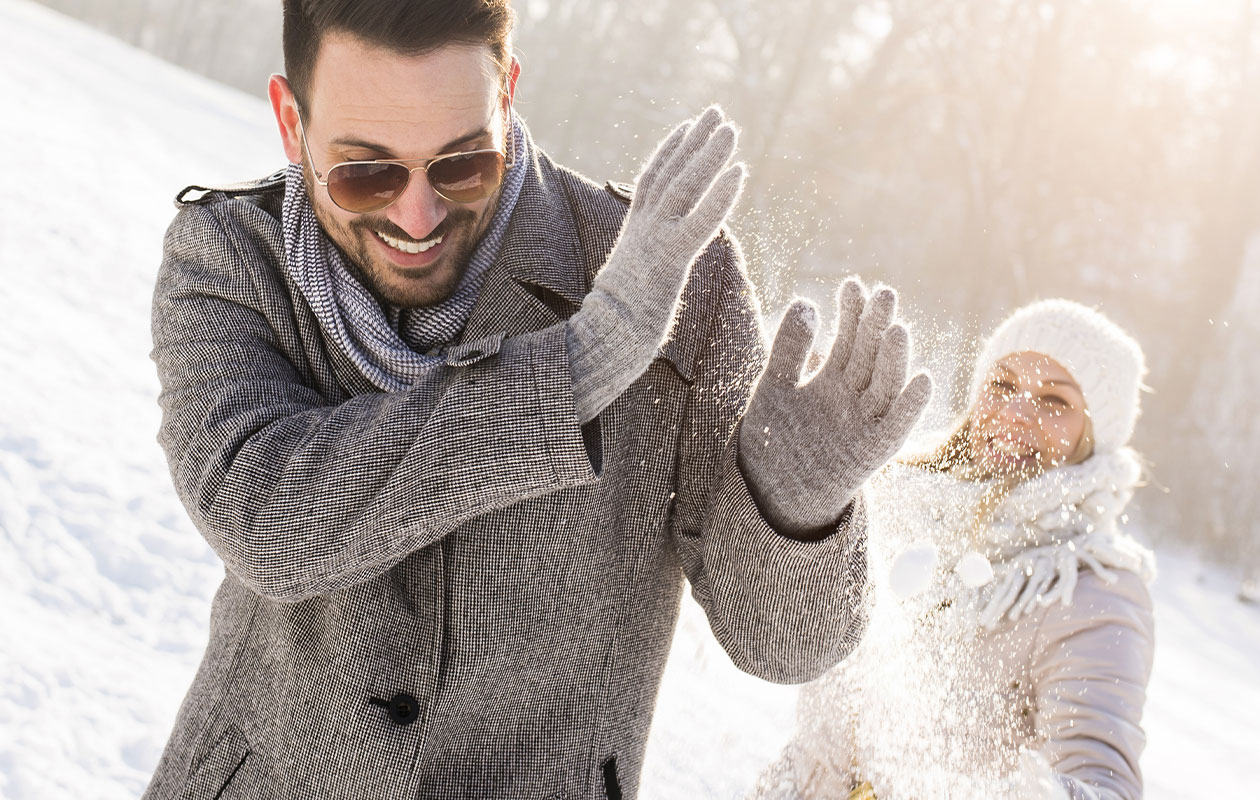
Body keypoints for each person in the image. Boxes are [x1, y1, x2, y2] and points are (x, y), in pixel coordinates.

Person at [142, 1, 934, 797]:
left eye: (462, 164)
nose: (417, 216)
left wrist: (795, 508)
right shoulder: (232, 257)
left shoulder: (670, 270)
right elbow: (269, 525)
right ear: (291, 120)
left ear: (507, 94)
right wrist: (578, 366)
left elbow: (783, 647)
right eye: (366, 171)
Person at [753, 299, 1157, 800]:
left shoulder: (1092, 589)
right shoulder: (901, 501)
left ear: (1093, 436)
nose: (1015, 414)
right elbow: (776, 630)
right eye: (1004, 385)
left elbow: (1107, 784)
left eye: (1055, 402)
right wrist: (803, 484)